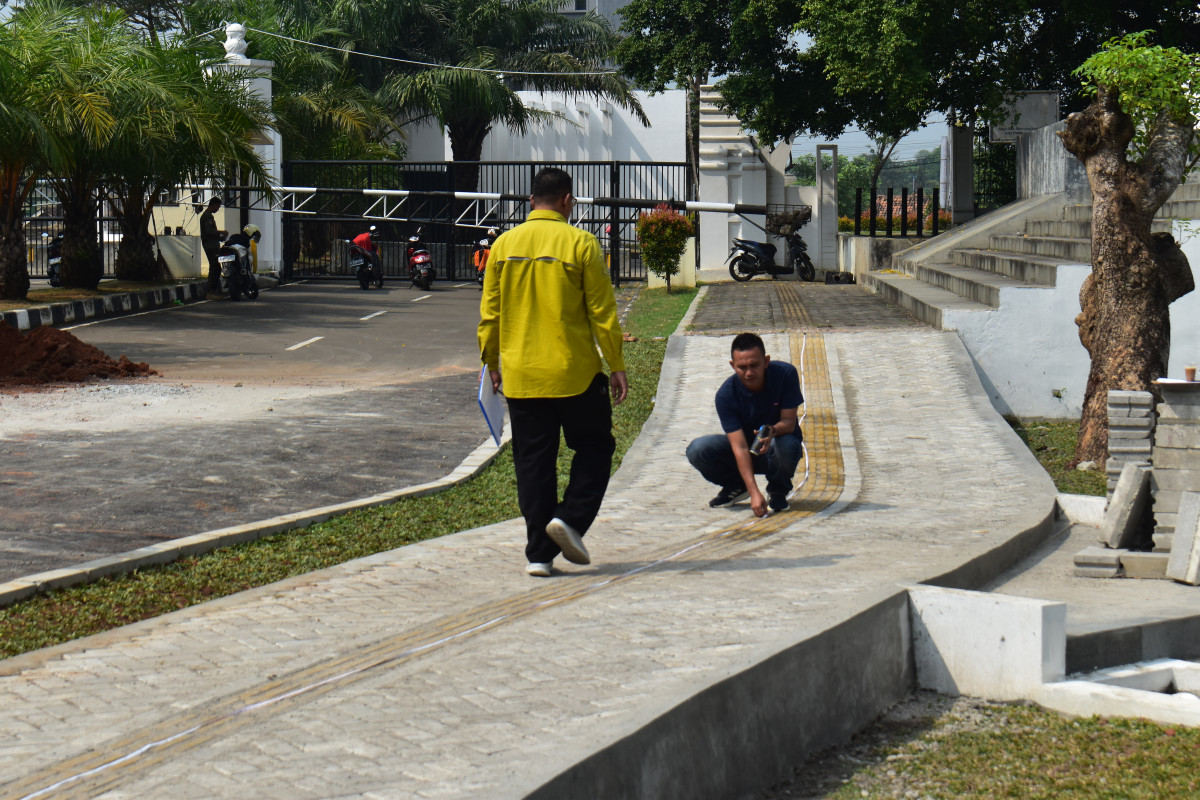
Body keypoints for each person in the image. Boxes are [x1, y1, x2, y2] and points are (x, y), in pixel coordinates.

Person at [478, 167, 628, 578]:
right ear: (567, 201)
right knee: (595, 446)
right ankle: (572, 518)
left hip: (522, 377)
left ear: (531, 202)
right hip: (574, 374)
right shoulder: (581, 242)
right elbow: (602, 312)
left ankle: (538, 555)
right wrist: (616, 364)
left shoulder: (503, 246)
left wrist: (491, 364)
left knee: (533, 463)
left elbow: (489, 315)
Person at [686, 332, 804, 518]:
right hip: (745, 452)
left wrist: (772, 431)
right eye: (742, 367)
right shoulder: (725, 395)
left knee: (788, 444)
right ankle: (737, 486)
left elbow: (789, 423)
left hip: (776, 449)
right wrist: (755, 493)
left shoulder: (785, 375)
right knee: (698, 449)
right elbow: (739, 447)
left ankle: (778, 490)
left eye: (754, 365)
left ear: (766, 361)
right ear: (733, 366)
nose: (749, 373)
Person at [199, 197, 223, 297]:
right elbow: (209, 232)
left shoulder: (209, 216)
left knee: (216, 268)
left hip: (213, 244)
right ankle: (210, 291)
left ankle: (213, 291)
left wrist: (220, 237)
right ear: (214, 205)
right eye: (218, 206)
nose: (218, 209)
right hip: (210, 246)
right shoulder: (207, 216)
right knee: (215, 268)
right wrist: (222, 232)